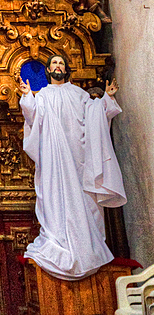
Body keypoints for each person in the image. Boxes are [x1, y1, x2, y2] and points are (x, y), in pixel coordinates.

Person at [19, 54, 125, 280]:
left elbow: (95, 116)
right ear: (48, 70)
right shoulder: (44, 95)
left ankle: (88, 247)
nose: (57, 66)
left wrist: (106, 100)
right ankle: (59, 240)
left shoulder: (80, 95)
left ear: (66, 69)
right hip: (53, 159)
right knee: (54, 198)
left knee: (86, 199)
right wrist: (27, 97)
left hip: (79, 158)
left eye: (61, 63)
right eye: (54, 63)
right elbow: (32, 117)